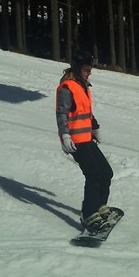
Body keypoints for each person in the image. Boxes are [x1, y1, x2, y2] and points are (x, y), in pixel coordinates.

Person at [56, 50, 114, 233]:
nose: (90, 73)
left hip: (87, 138)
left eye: (90, 69)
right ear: (77, 68)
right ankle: (88, 215)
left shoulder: (82, 86)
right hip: (75, 141)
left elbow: (85, 111)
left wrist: (94, 128)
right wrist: (65, 136)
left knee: (106, 172)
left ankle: (99, 206)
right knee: (94, 174)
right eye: (87, 69)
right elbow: (61, 113)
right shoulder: (67, 88)